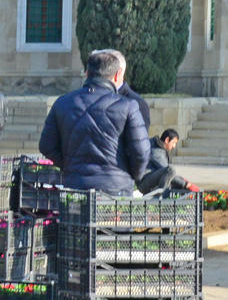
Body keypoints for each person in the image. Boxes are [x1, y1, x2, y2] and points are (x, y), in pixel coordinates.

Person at [38, 49, 150, 194]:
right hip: (116, 188)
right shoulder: (128, 106)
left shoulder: (62, 103)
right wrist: (131, 175)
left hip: (75, 185)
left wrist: (69, 167)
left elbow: (46, 146)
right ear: (117, 76)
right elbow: (141, 152)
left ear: (87, 74)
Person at [137, 129, 199, 194]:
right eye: (173, 143)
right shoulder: (156, 152)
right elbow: (168, 171)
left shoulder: (156, 146)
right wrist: (186, 184)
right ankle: (161, 198)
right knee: (171, 170)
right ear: (167, 140)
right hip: (144, 184)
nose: (174, 146)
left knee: (175, 181)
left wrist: (183, 181)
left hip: (148, 179)